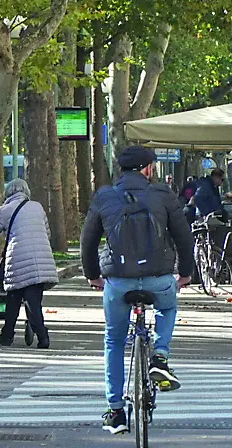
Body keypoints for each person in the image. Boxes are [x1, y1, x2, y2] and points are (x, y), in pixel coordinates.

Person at [80, 146, 193, 435]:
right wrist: (186, 273)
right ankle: (160, 355)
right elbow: (183, 236)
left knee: (114, 340)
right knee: (167, 307)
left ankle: (115, 410)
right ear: (147, 168)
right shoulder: (162, 194)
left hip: (118, 280)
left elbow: (88, 241)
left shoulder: (104, 196)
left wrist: (93, 276)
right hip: (159, 277)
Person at [0, 178, 59, 349]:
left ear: (8, 193)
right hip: (42, 261)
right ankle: (15, 334)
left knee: (18, 299)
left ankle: (30, 335)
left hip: (18, 261)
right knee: (26, 299)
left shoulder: (5, 210)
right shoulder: (37, 207)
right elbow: (47, 233)